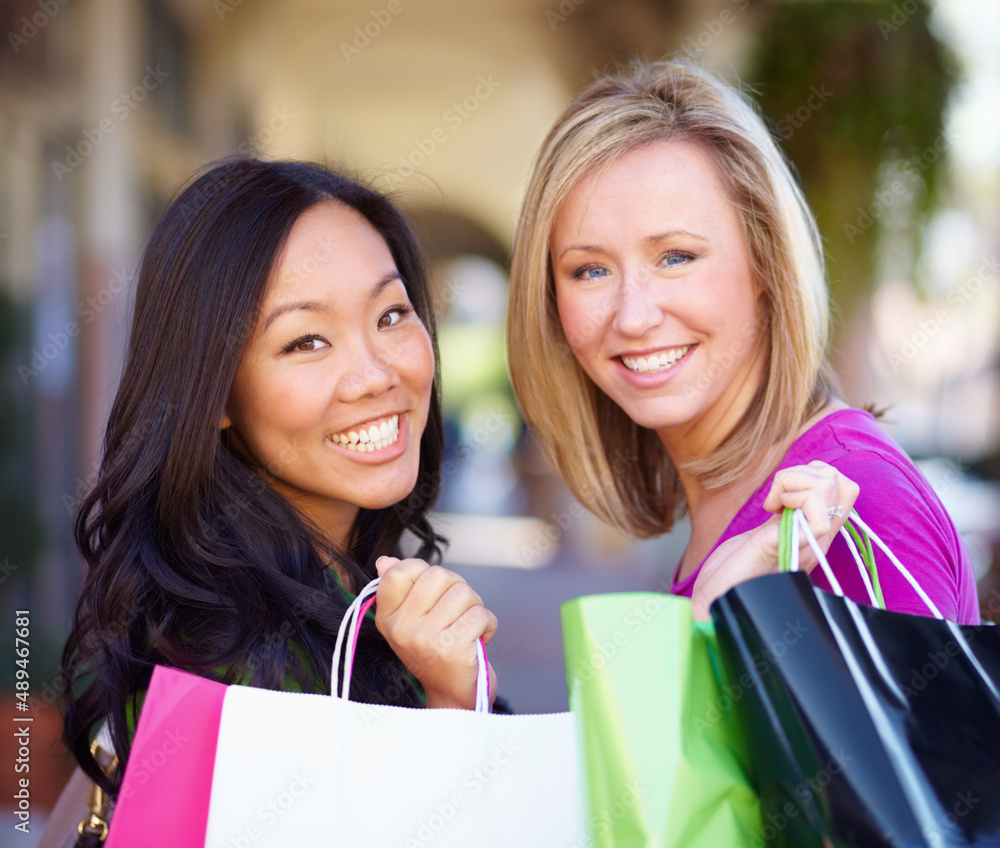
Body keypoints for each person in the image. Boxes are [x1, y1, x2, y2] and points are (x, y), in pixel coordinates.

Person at [60, 159, 500, 799]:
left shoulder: (339, 592)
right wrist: (453, 714)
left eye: (390, 315)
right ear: (214, 393)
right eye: (307, 342)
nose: (375, 375)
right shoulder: (233, 668)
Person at [507, 59, 979, 624]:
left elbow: (913, 688)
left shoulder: (851, 508)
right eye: (590, 270)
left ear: (765, 263)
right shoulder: (746, 506)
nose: (632, 317)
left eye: (676, 257)